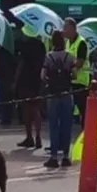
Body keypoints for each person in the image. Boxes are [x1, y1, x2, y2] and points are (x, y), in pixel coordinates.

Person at [42, 31, 76, 168]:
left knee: (53, 126)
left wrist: (49, 81)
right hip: (67, 94)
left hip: (53, 95)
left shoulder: (48, 57)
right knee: (66, 126)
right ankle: (66, 156)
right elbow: (74, 75)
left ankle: (54, 157)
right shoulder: (69, 56)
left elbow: (42, 75)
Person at [14, 25, 47, 149]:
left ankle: (29, 137)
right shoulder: (41, 45)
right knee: (36, 109)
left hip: (25, 81)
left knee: (26, 109)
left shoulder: (24, 46)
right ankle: (38, 136)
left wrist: (15, 82)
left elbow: (21, 65)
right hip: (37, 80)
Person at [62, 18, 90, 127]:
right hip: (70, 80)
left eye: (66, 28)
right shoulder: (68, 42)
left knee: (83, 108)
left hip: (81, 81)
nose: (64, 31)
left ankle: (86, 130)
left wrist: (68, 67)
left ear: (72, 29)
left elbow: (80, 63)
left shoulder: (81, 42)